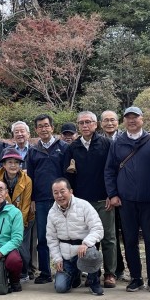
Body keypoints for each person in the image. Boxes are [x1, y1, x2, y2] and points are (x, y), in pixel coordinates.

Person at [104, 107, 150, 292]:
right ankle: (136, 277)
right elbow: (109, 170)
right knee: (129, 240)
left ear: (142, 119)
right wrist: (113, 194)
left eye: (135, 117)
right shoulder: (118, 143)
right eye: (128, 118)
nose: (131, 121)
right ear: (124, 121)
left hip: (149, 199)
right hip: (126, 200)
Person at [64, 111, 118, 288]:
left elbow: (113, 170)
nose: (85, 126)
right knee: (84, 238)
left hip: (104, 199)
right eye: (81, 123)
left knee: (108, 238)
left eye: (89, 122)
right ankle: (91, 272)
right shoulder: (72, 147)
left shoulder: (107, 144)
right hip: (81, 202)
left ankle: (110, 272)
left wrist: (112, 193)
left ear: (96, 125)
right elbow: (68, 175)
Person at [26, 114, 69, 285]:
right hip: (42, 199)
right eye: (40, 126)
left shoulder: (64, 147)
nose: (44, 129)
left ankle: (67, 269)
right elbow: (30, 177)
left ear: (52, 127)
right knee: (43, 237)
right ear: (36, 130)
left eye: (46, 125)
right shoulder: (33, 151)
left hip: (62, 199)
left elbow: (68, 173)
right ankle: (45, 271)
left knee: (65, 235)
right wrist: (33, 199)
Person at [46, 178, 104, 295]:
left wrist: (86, 243)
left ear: (71, 191)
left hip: (83, 250)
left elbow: (97, 228)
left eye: (63, 191)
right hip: (66, 255)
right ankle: (75, 276)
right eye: (56, 193)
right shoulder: (52, 212)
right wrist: (57, 258)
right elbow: (51, 239)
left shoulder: (84, 205)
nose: (60, 196)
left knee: (92, 254)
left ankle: (94, 281)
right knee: (61, 287)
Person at [0, 148, 33, 278]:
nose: (13, 165)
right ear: (3, 165)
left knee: (22, 246)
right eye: (9, 162)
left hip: (23, 217)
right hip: (3, 217)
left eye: (16, 162)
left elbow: (26, 204)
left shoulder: (27, 180)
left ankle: (24, 273)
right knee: (5, 244)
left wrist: (19, 223)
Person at [99, 109, 127, 281]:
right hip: (105, 195)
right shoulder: (99, 141)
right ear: (101, 123)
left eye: (112, 120)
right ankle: (116, 269)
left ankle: (131, 270)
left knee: (127, 233)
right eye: (106, 120)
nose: (109, 123)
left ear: (118, 122)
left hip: (125, 192)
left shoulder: (125, 139)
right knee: (110, 234)